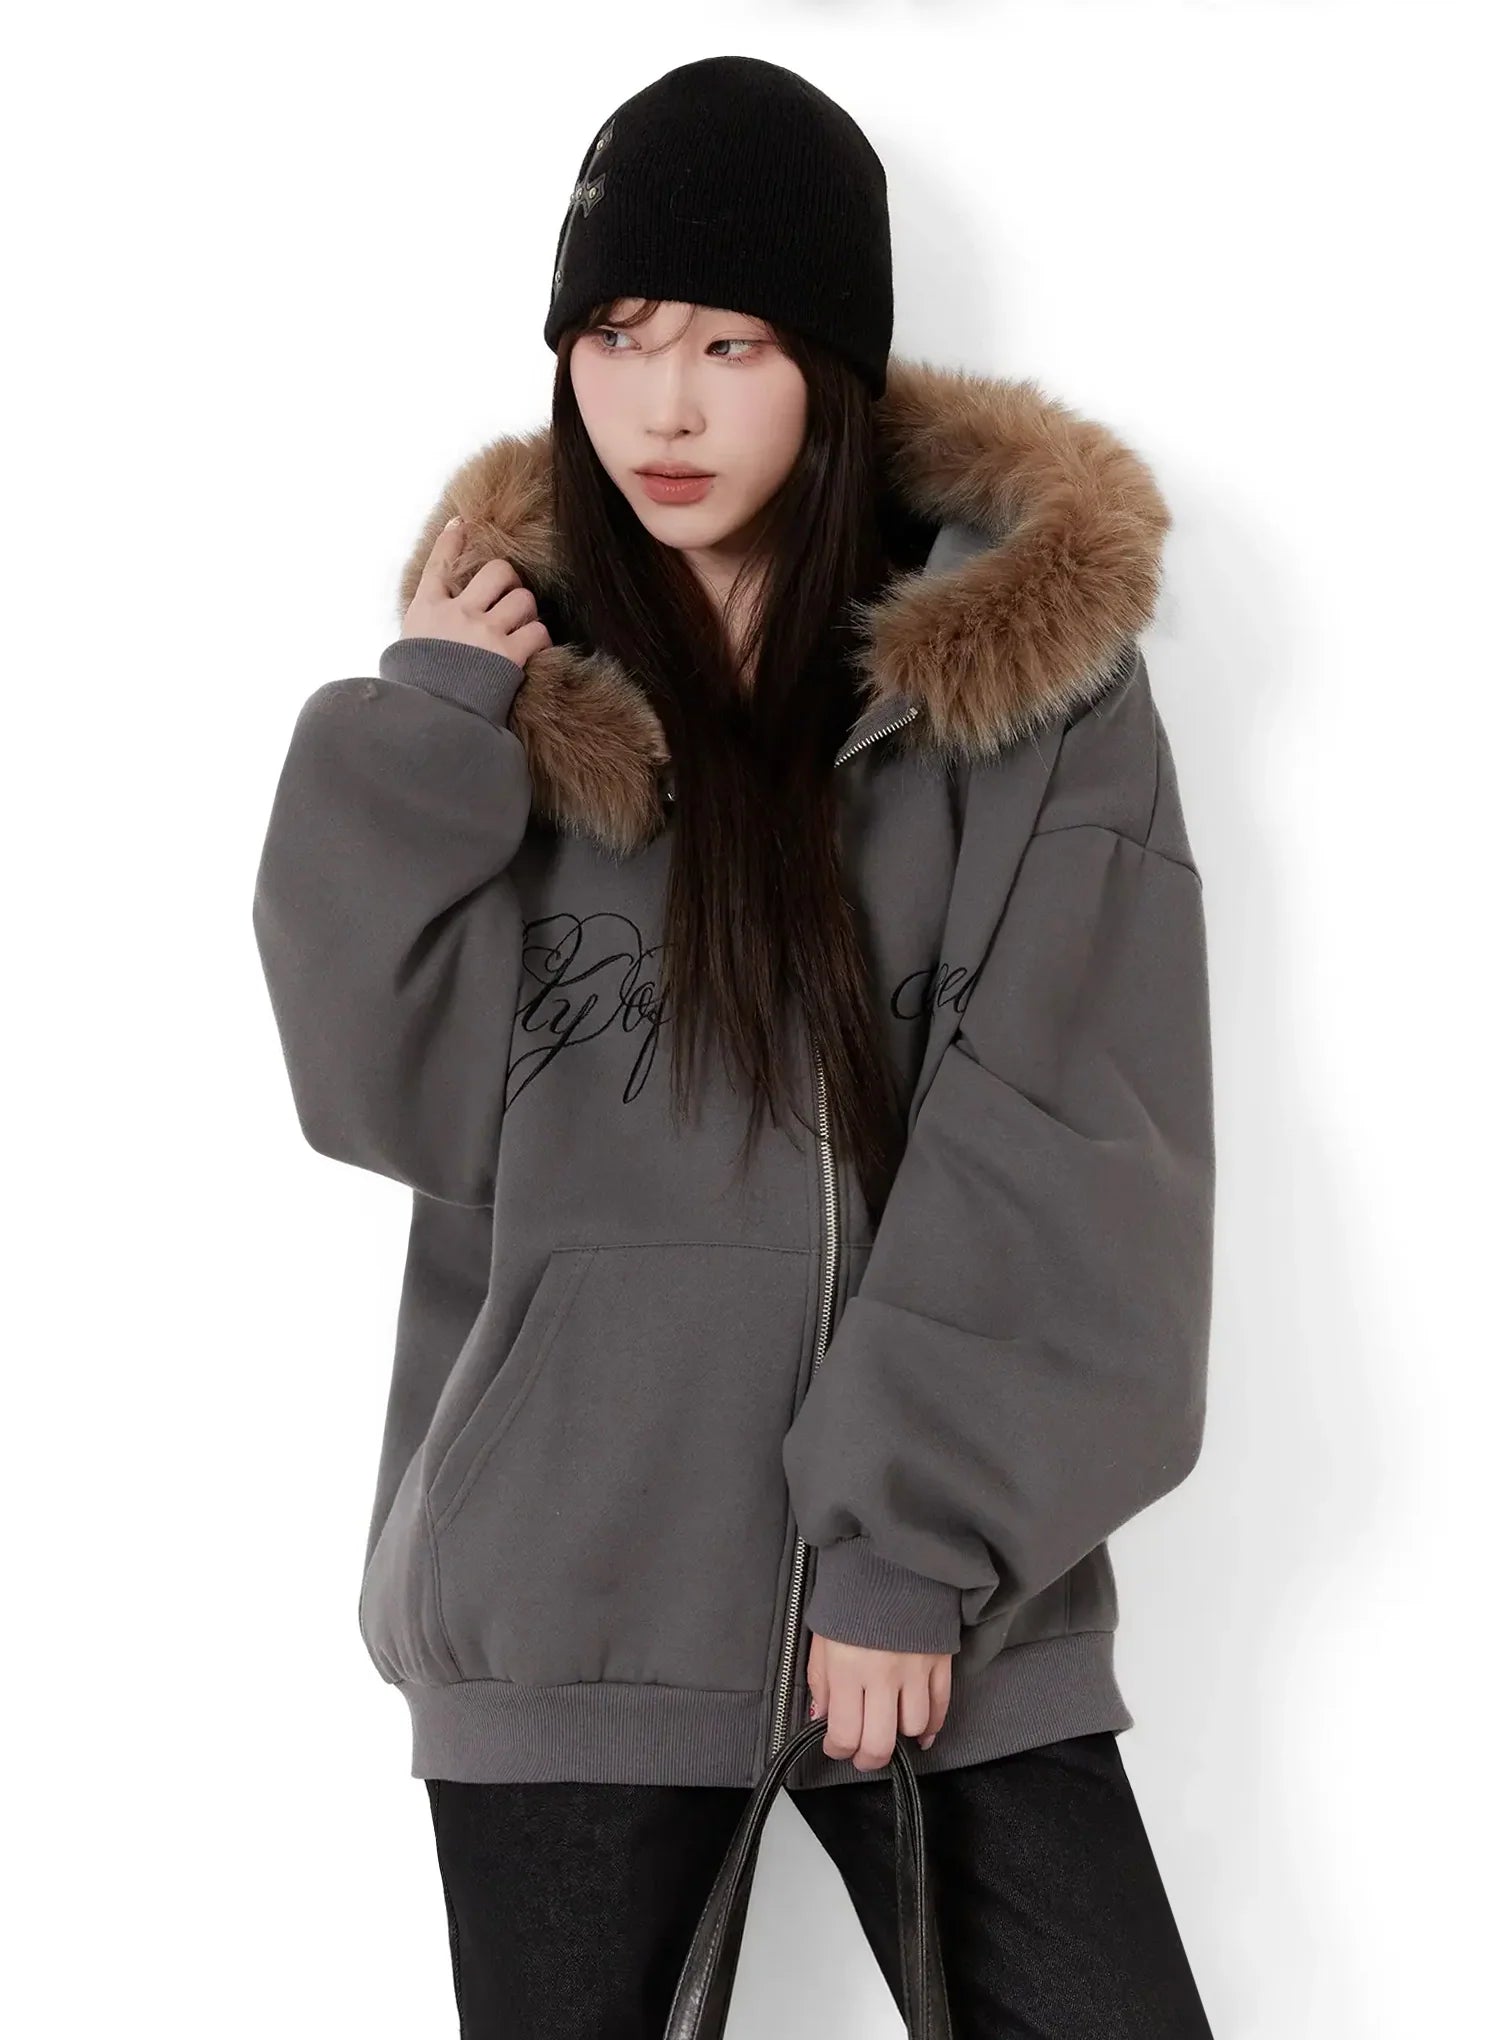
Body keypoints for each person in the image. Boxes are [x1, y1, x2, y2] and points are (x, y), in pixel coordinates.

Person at [252, 52, 1217, 2040]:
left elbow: (1076, 1136)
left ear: (830, 369)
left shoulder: (1031, 710)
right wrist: (423, 729)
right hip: (574, 1602)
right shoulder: (511, 693)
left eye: (729, 343)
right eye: (614, 336)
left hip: (944, 1614)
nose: (663, 406)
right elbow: (381, 1098)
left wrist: (905, 1548)